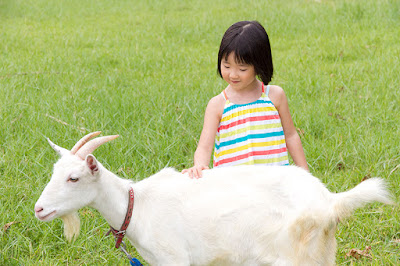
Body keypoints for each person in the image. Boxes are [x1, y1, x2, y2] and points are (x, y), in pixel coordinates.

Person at [182, 20, 308, 178]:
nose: (233, 74)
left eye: (242, 69)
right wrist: (199, 165)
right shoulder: (218, 105)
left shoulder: (275, 97)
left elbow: (291, 135)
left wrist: (306, 176)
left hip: (273, 186)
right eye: (226, 66)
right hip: (235, 190)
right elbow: (204, 147)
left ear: (259, 65)